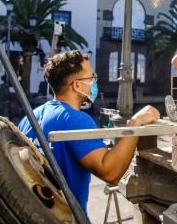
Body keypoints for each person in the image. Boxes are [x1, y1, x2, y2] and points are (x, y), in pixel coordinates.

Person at [18, 50, 159, 214]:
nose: (94, 83)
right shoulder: (77, 119)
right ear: (77, 85)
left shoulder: (31, 116)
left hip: (37, 216)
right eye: (91, 78)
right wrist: (135, 124)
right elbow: (110, 173)